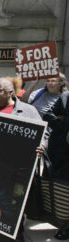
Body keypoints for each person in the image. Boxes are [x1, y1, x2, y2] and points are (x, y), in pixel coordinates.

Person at [0, 77, 46, 242]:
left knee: (15, 201)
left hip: (17, 168)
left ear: (10, 93)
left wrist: (42, 145)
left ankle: (16, 231)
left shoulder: (29, 111)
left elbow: (44, 133)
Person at [43, 90, 69, 240]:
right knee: (64, 190)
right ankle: (65, 226)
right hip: (62, 152)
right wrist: (62, 125)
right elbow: (48, 114)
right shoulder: (65, 96)